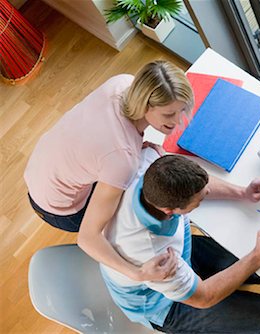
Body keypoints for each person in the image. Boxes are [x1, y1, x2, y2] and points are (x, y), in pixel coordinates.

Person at [24, 61, 193, 282]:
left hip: (39, 169)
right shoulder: (122, 159)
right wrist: (138, 273)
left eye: (182, 110)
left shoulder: (123, 83)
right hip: (59, 208)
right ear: (145, 105)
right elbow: (87, 237)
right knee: (134, 204)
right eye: (169, 115)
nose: (179, 121)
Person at [100, 149, 260, 333]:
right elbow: (204, 297)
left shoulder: (149, 162)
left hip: (183, 254)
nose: (205, 195)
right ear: (171, 210)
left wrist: (243, 193)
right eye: (199, 200)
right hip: (164, 303)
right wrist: (257, 256)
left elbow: (198, 185)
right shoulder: (155, 258)